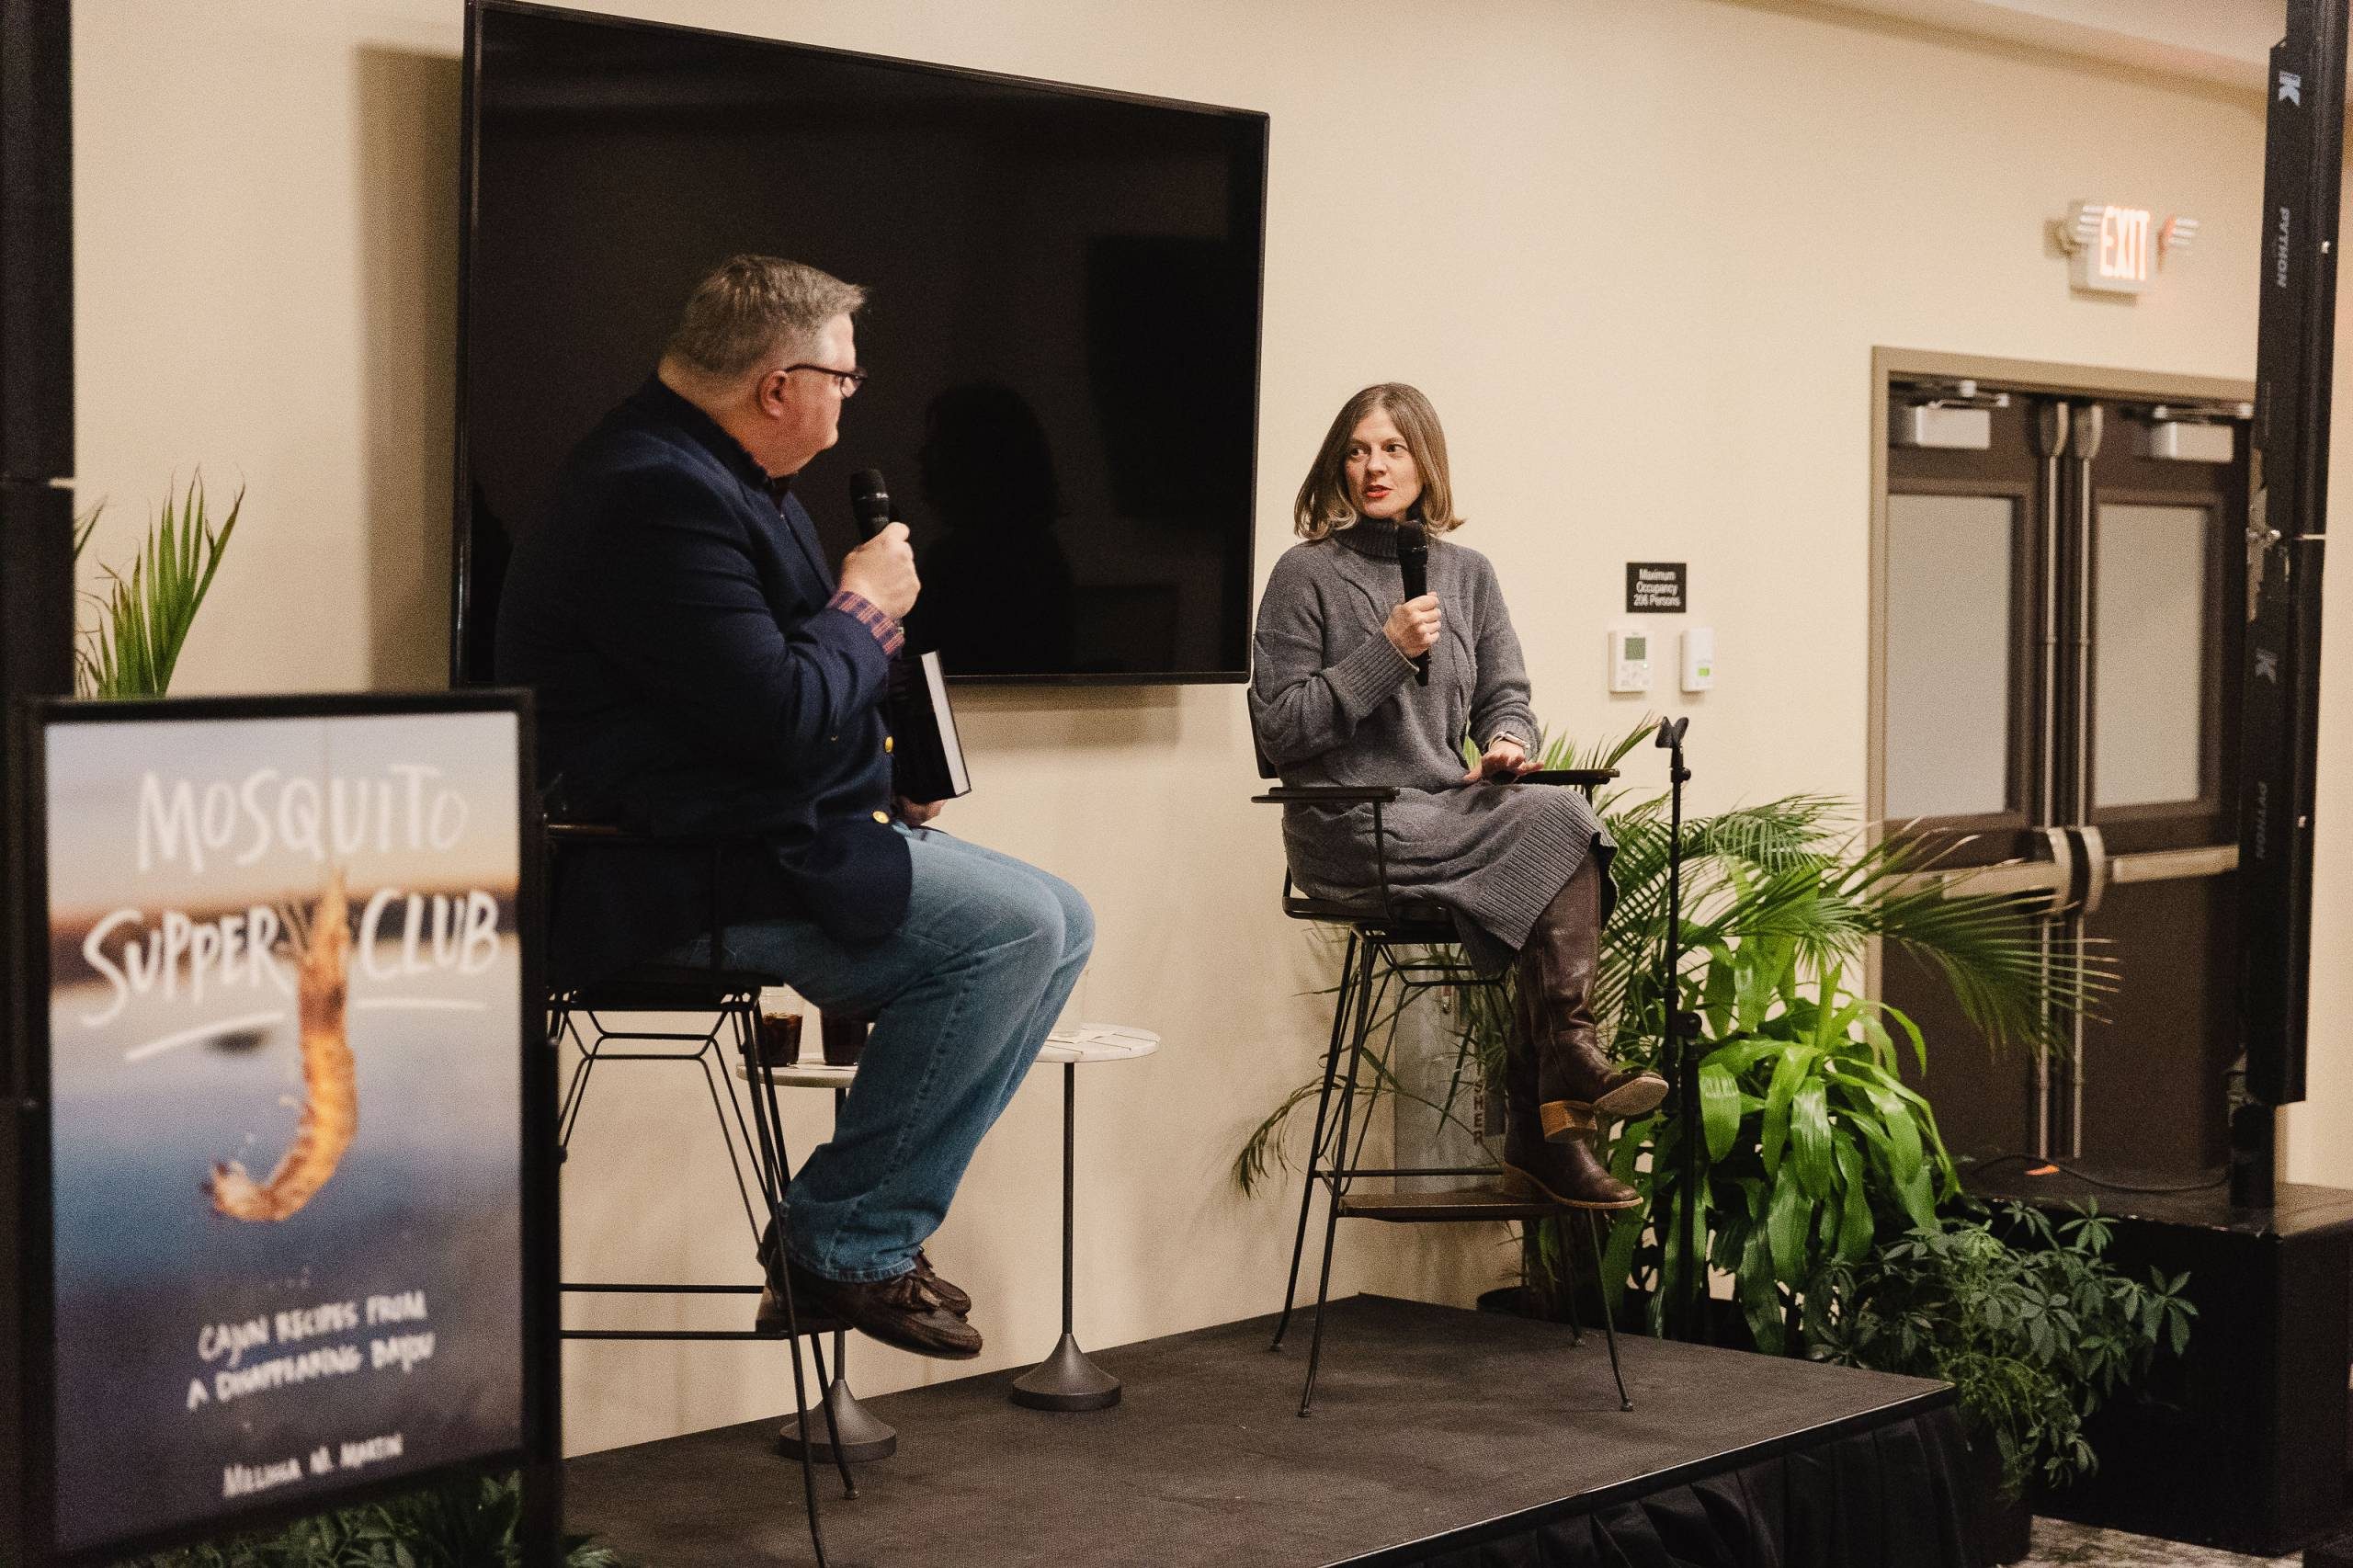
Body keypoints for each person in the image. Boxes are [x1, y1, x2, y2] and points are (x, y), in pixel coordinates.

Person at [497, 256, 1093, 1358]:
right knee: (1013, 929)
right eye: (844, 377)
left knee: (1065, 918)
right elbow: (778, 711)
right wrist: (865, 605)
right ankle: (843, 1239)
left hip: (746, 830)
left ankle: (849, 1233)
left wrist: (885, 772)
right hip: (665, 871)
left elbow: (755, 706)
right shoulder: (655, 492)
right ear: (779, 386)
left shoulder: (717, 478)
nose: (851, 398)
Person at [1248, 382, 1663, 1209]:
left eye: (1392, 449)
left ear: (1424, 462)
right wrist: (1386, 651)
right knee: (1557, 845)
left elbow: (1507, 696)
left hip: (1442, 811)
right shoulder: (1306, 574)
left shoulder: (1469, 574)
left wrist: (1508, 742)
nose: (1373, 467)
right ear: (1337, 465)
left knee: (1564, 814)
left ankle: (1563, 1068)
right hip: (1351, 822)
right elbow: (1278, 730)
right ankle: (1552, 1118)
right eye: (1357, 451)